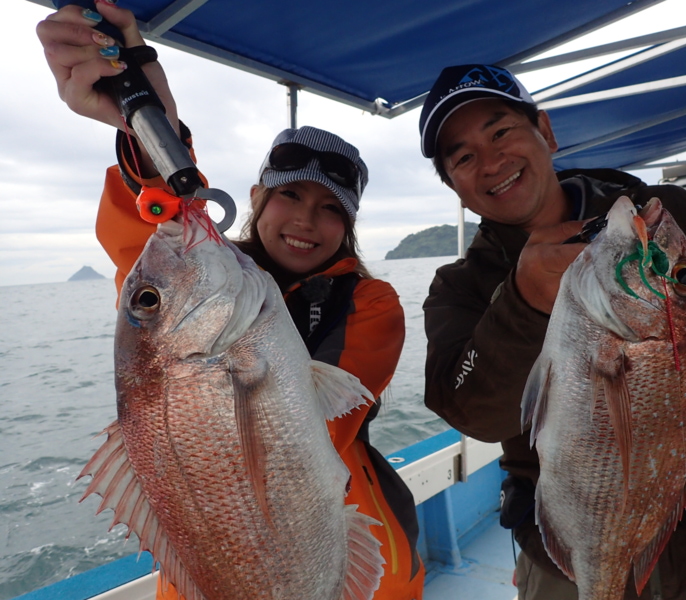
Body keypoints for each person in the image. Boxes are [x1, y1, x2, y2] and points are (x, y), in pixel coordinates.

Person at [36, 3, 425, 599]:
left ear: (348, 227)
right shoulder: (214, 274)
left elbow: (330, 419)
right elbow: (153, 226)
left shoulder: (370, 302)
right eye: (289, 195)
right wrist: (149, 130)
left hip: (318, 545)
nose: (305, 219)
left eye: (330, 209)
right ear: (255, 197)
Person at [419, 63, 686, 600]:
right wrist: (522, 303)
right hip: (571, 563)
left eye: (501, 131)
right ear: (454, 187)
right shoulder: (460, 288)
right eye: (462, 157)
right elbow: (472, 413)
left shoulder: (668, 221)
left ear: (545, 131)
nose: (491, 161)